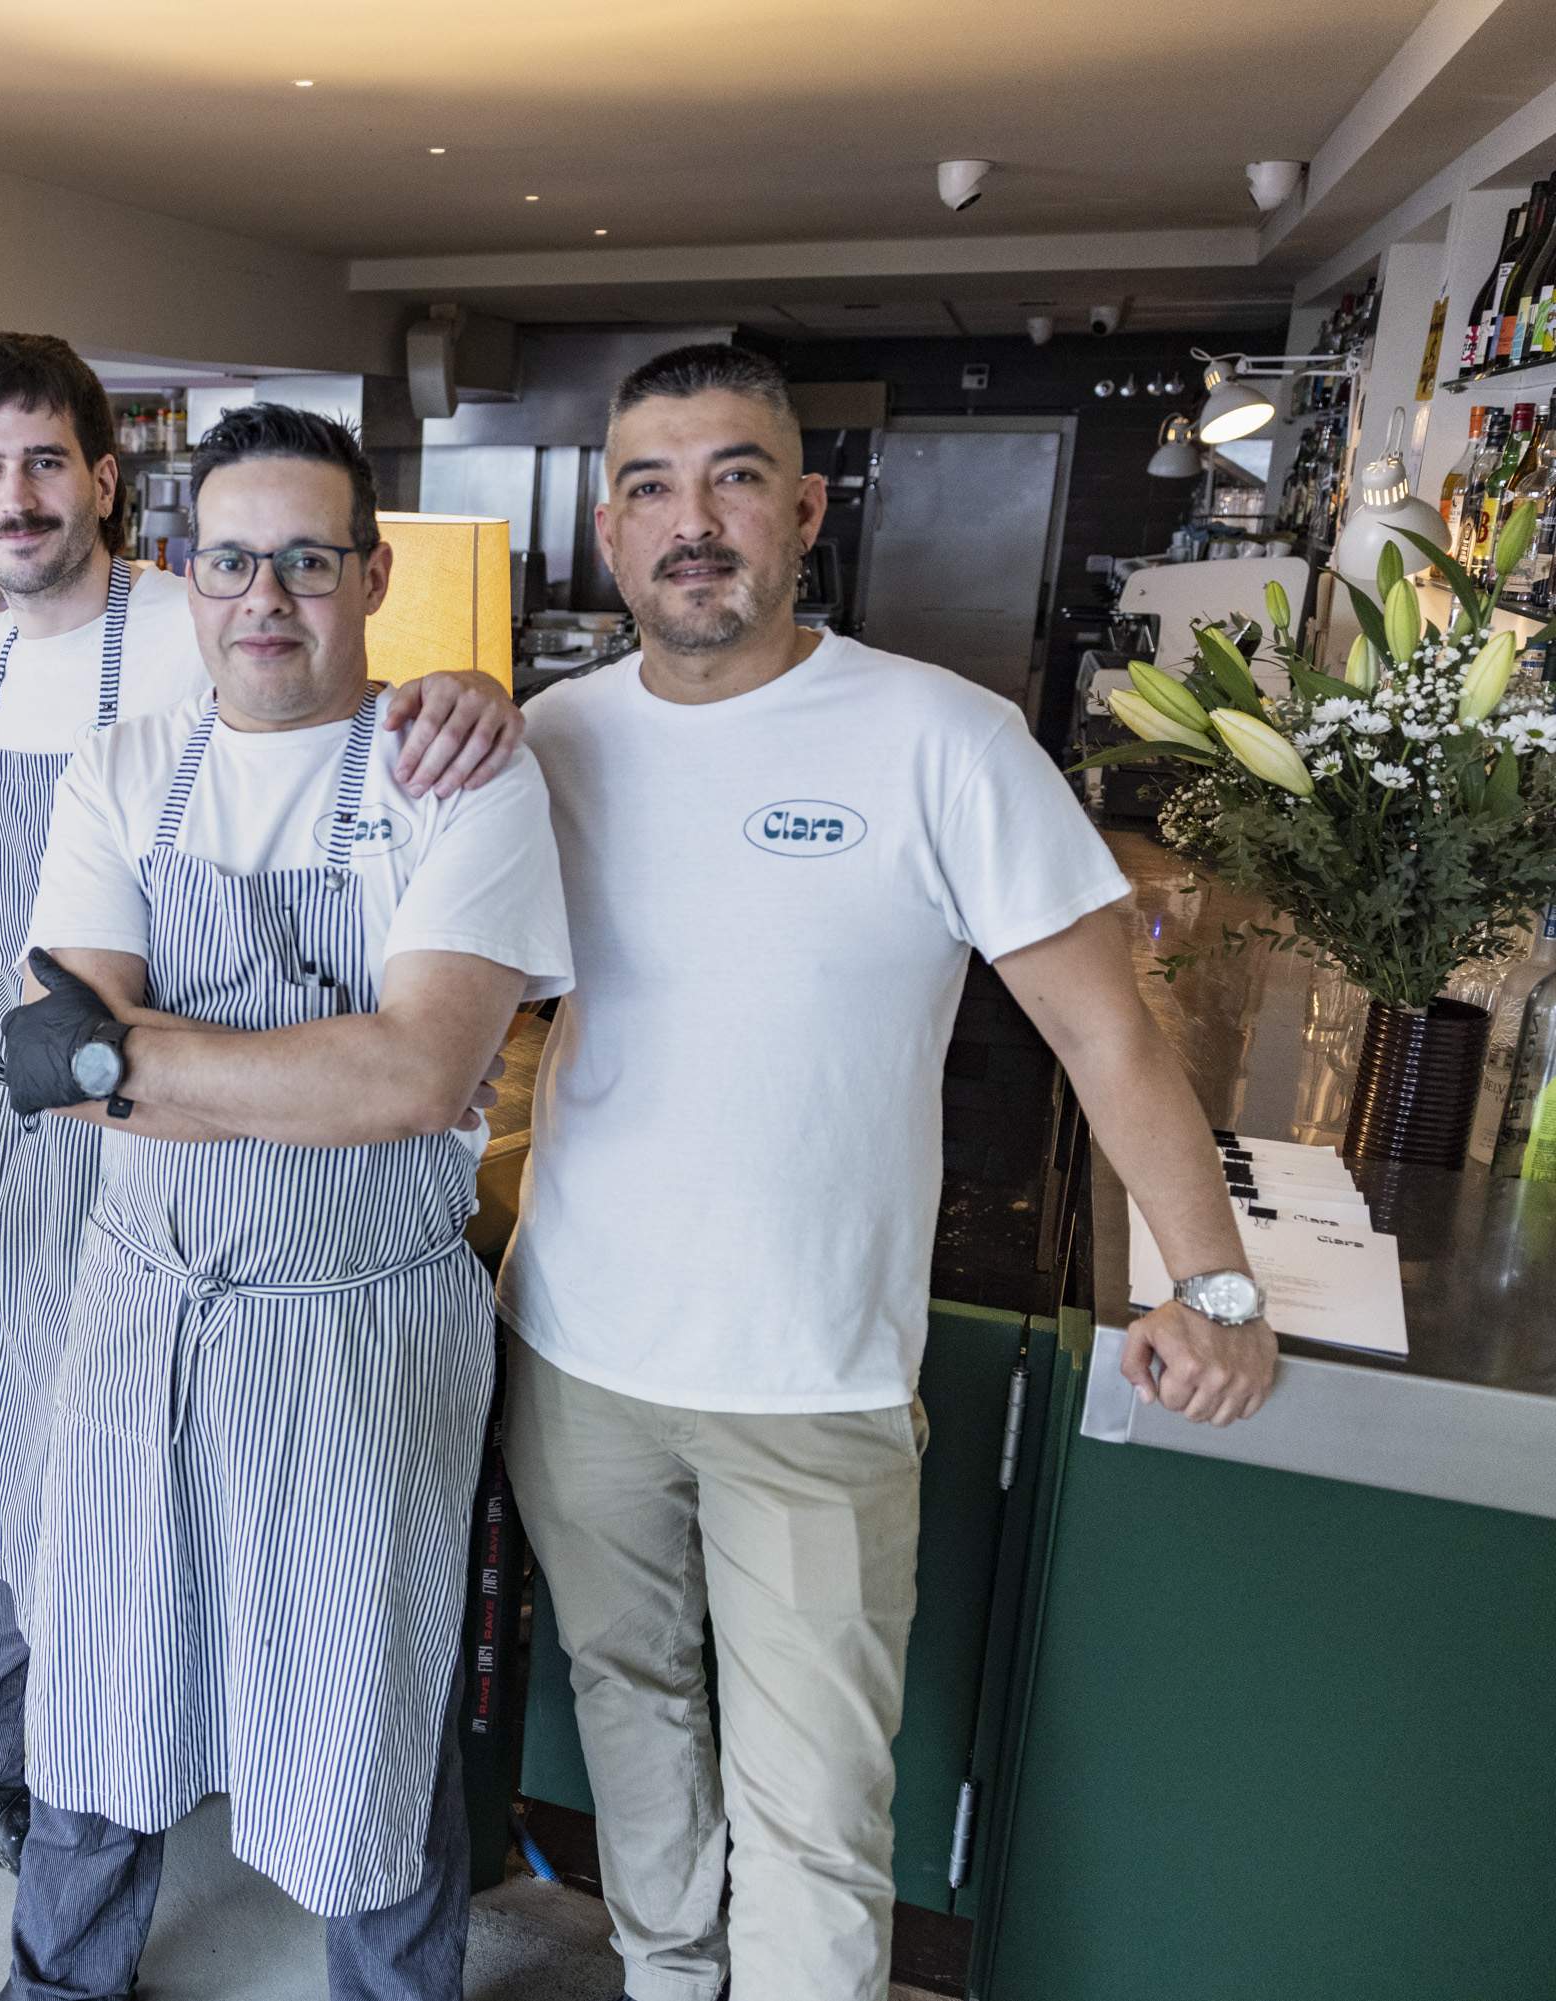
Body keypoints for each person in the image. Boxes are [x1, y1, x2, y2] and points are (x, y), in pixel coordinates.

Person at [502, 344, 1278, 2001]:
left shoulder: (940, 736)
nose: (690, 518)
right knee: (626, 1698)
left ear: (803, 510)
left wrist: (1210, 1283)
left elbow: (1111, 1038)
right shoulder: (545, 738)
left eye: (730, 478)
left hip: (816, 1374)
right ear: (611, 532)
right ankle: (659, 1972)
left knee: (815, 1808)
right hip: (572, 1344)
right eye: (648, 484)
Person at [0, 333, 528, 1876]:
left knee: (246, 1555)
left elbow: (407, 1070)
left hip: (240, 1200)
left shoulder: (200, 631)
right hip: (37, 1129)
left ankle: (196, 1800)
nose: (15, 499)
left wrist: (113, 1061)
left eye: (44, 462)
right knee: (15, 1469)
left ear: (108, 484)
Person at [0, 402, 574, 2001]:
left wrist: (142, 1062)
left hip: (359, 1322)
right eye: (233, 560)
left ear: (372, 574)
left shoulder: (460, 783)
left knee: (361, 1699)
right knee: (104, 1665)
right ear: (184, 576)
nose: (268, 597)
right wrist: (307, 1063)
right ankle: (60, 1978)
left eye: (306, 561)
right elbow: (53, 1045)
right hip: (144, 1300)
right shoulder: (121, 771)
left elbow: (410, 1078)